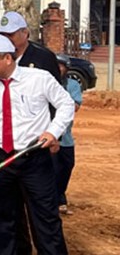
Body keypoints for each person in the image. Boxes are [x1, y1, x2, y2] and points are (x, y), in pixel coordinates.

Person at [0, 35, 74, 255]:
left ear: (7, 58)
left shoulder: (39, 78)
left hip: (35, 159)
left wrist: (53, 131)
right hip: (2, 160)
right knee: (3, 221)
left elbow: (66, 104)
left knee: (45, 219)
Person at [53, 54, 82, 216]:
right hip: (50, 136)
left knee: (66, 167)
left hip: (66, 137)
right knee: (52, 169)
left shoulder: (72, 85)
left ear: (67, 68)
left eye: (61, 65)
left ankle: (60, 195)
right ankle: (57, 200)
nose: (58, 68)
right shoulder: (47, 84)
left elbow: (74, 106)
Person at [0, 11, 60, 82]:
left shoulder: (44, 57)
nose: (6, 39)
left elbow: (55, 88)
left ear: (25, 33)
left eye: (10, 35)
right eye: (3, 35)